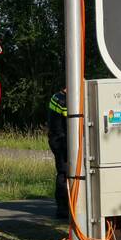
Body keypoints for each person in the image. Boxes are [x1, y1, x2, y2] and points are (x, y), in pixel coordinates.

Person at [47, 87, 69, 220]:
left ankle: (65, 207)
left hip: (59, 140)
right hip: (61, 142)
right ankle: (63, 209)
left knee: (64, 173)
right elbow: (62, 125)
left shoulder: (57, 97)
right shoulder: (62, 100)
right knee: (64, 173)